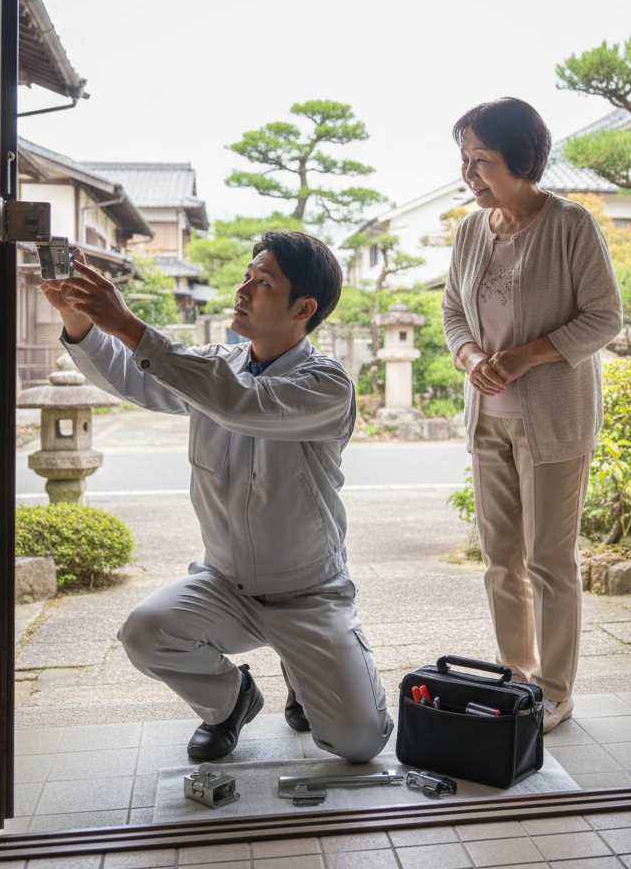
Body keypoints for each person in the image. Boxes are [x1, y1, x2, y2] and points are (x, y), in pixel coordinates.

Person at [40, 230, 393, 763]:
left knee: (359, 743)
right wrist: (79, 317)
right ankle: (230, 701)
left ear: (304, 308)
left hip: (308, 593)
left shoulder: (327, 384)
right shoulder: (215, 363)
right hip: (225, 584)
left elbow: (240, 403)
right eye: (247, 276)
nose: (243, 290)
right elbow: (132, 377)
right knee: (144, 632)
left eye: (263, 282)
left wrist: (131, 325)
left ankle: (304, 671)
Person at [442, 97, 624, 733]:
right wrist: (470, 358)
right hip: (486, 418)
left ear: (520, 158)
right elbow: (452, 316)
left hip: (554, 422)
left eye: (481, 160)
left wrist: (524, 358)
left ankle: (554, 690)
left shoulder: (571, 225)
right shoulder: (470, 230)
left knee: (549, 560)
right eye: (464, 160)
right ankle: (515, 678)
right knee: (499, 559)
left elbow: (605, 317)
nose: (469, 174)